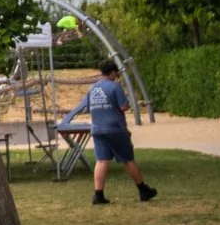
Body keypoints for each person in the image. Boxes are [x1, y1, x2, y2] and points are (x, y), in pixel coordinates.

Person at [63, 64, 156, 205]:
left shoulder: (92, 88)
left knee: (101, 161)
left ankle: (98, 195)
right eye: (116, 73)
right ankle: (143, 190)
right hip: (115, 129)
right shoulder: (115, 86)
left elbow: (88, 108)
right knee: (128, 159)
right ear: (113, 72)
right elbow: (123, 106)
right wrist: (128, 103)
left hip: (97, 130)